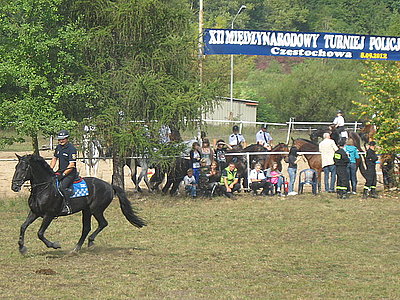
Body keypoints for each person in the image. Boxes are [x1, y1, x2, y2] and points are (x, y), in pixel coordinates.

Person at [50, 130, 78, 214]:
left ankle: (67, 206)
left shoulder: (72, 149)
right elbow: (54, 158)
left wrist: (63, 174)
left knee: (62, 187)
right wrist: (50, 169)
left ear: (67, 139)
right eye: (59, 139)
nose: (61, 141)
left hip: (70, 173)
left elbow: (72, 165)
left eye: (63, 139)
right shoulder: (58, 147)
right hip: (60, 171)